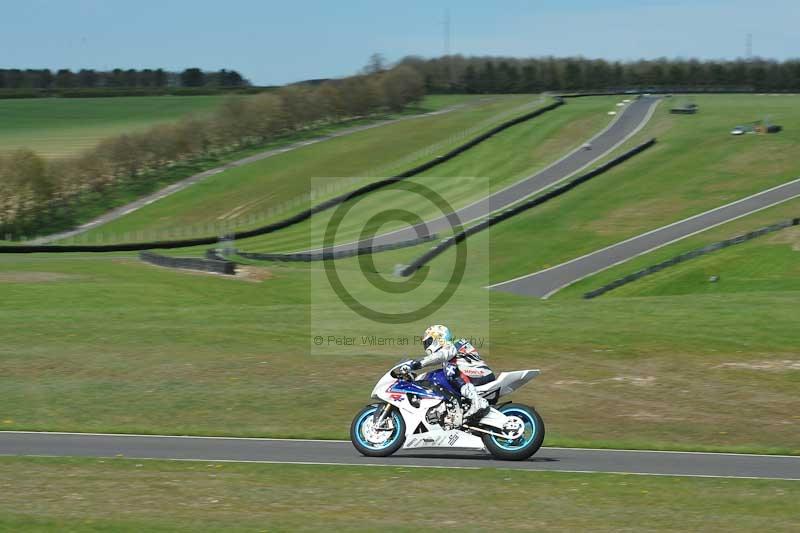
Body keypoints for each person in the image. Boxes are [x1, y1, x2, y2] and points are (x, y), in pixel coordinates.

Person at [407, 324, 494, 421]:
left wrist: (418, 363)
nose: (427, 346)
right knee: (436, 374)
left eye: (429, 342)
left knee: (450, 370)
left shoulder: (453, 344)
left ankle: (477, 400)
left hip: (480, 374)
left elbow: (439, 356)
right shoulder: (450, 351)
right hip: (473, 375)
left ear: (438, 338)